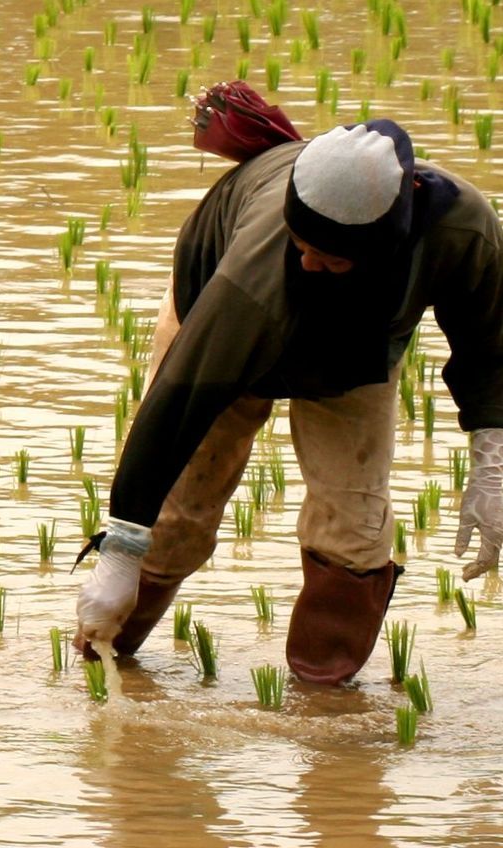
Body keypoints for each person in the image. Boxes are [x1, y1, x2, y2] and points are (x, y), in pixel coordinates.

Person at [75, 120, 503, 685]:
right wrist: (123, 548)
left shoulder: (461, 229)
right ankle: (107, 661)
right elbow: (178, 403)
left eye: (328, 258)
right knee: (179, 518)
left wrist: (493, 457)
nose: (308, 263)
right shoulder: (254, 274)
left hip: (358, 353)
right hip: (222, 328)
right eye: (301, 247)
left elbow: (490, 344)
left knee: (355, 530)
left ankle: (323, 705)